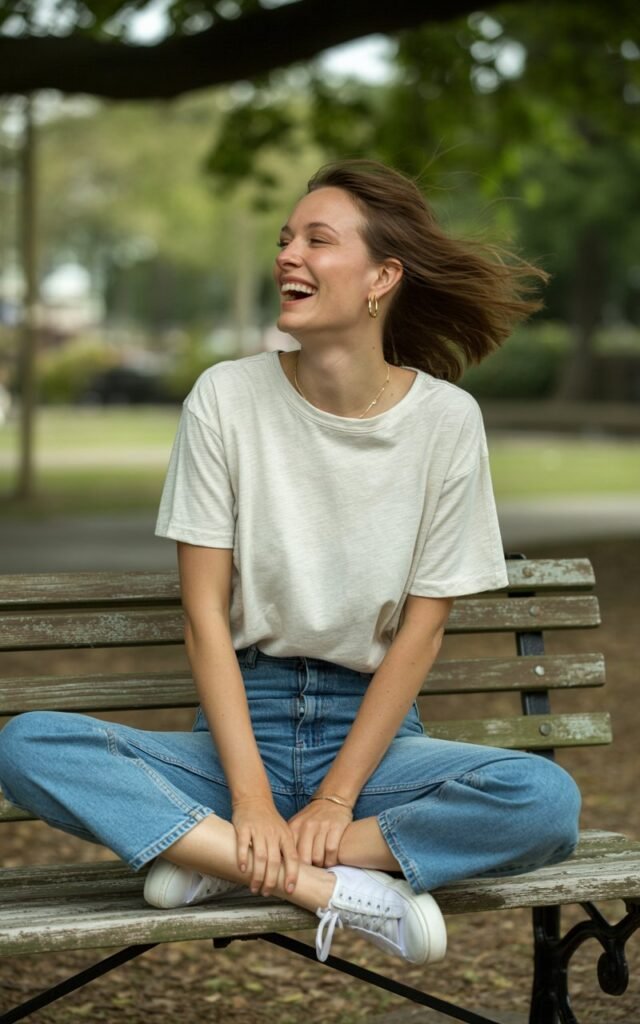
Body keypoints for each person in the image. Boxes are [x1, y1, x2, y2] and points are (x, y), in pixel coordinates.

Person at [0, 160, 581, 968]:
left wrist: (336, 799)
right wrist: (251, 802)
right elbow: (205, 616)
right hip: (244, 728)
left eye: (317, 239)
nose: (287, 256)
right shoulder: (225, 399)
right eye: (284, 239)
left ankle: (213, 858)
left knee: (544, 801)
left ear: (382, 276)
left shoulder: (446, 422)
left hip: (374, 747)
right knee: (28, 745)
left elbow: (421, 635)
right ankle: (331, 891)